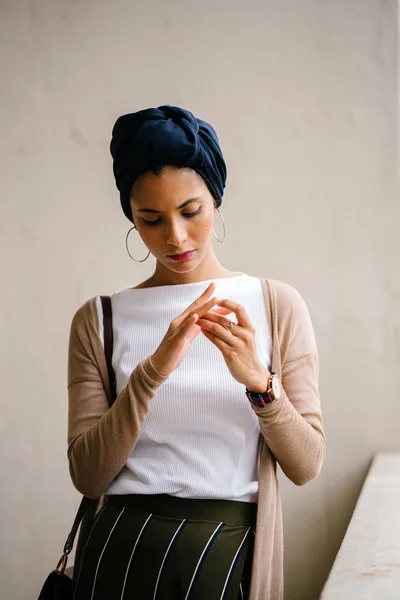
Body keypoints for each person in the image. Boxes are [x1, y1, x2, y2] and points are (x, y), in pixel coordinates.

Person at [67, 105, 325, 600]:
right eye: (151, 219)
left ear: (216, 200)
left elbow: (306, 464)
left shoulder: (275, 305)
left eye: (191, 212)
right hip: (118, 554)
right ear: (132, 219)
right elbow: (88, 475)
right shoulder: (99, 320)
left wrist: (259, 383)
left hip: (225, 552)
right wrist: (151, 373)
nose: (175, 237)